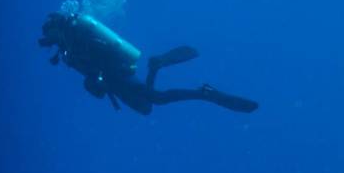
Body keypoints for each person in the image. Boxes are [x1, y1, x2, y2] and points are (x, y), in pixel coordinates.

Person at [39, 11, 259, 115]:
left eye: (51, 36)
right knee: (146, 108)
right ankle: (155, 67)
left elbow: (100, 54)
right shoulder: (68, 48)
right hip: (112, 81)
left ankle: (203, 93)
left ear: (56, 28)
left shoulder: (76, 38)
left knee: (158, 98)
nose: (51, 42)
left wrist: (96, 77)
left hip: (117, 74)